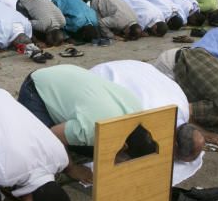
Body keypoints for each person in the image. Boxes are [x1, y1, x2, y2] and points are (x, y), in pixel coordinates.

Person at [18, 65, 151, 184]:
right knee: (42, 148)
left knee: (92, 145)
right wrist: (72, 169)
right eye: (126, 158)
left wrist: (116, 155)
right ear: (125, 145)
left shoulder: (137, 111)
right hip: (36, 86)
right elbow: (52, 135)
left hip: (67, 74)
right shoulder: (94, 128)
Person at [153, 47, 218, 147]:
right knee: (169, 113)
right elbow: (183, 109)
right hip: (168, 63)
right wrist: (206, 134)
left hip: (189, 51)